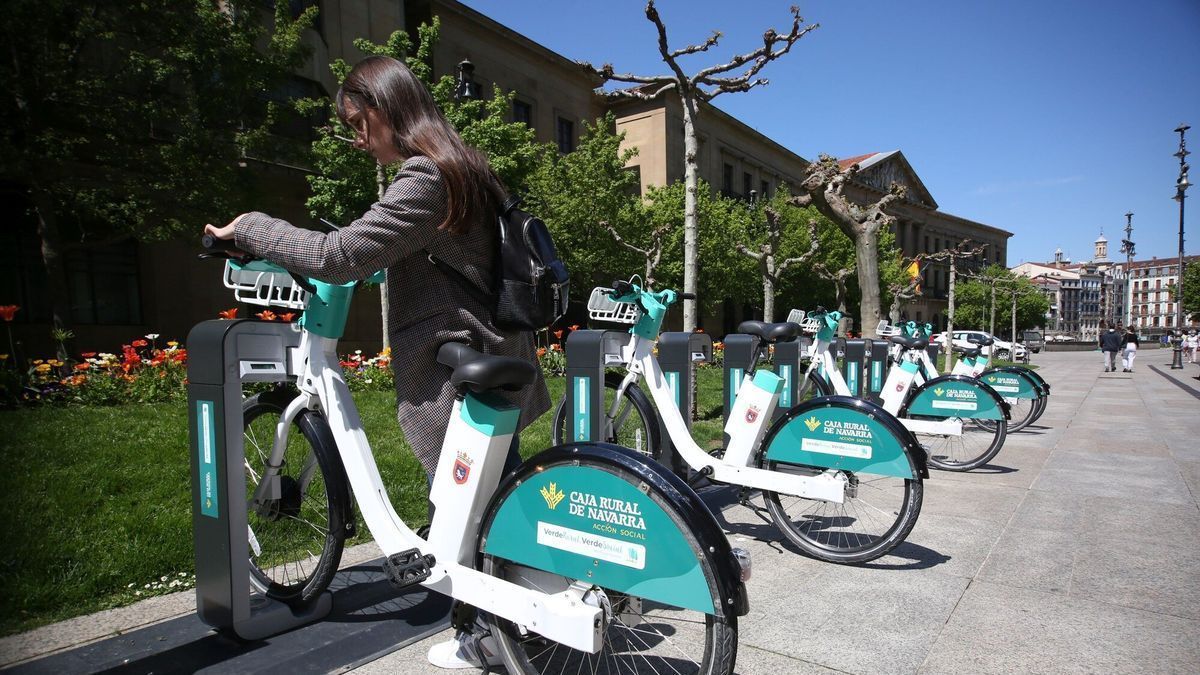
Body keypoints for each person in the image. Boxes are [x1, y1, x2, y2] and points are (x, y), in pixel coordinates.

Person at [203, 55, 548, 669]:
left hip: (459, 359)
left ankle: (490, 635)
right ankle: (501, 627)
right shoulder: (468, 168)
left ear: (389, 109)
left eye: (358, 123)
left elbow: (341, 256)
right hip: (499, 349)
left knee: (467, 509)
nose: (355, 138)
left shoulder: (426, 178)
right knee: (492, 507)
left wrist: (251, 228)